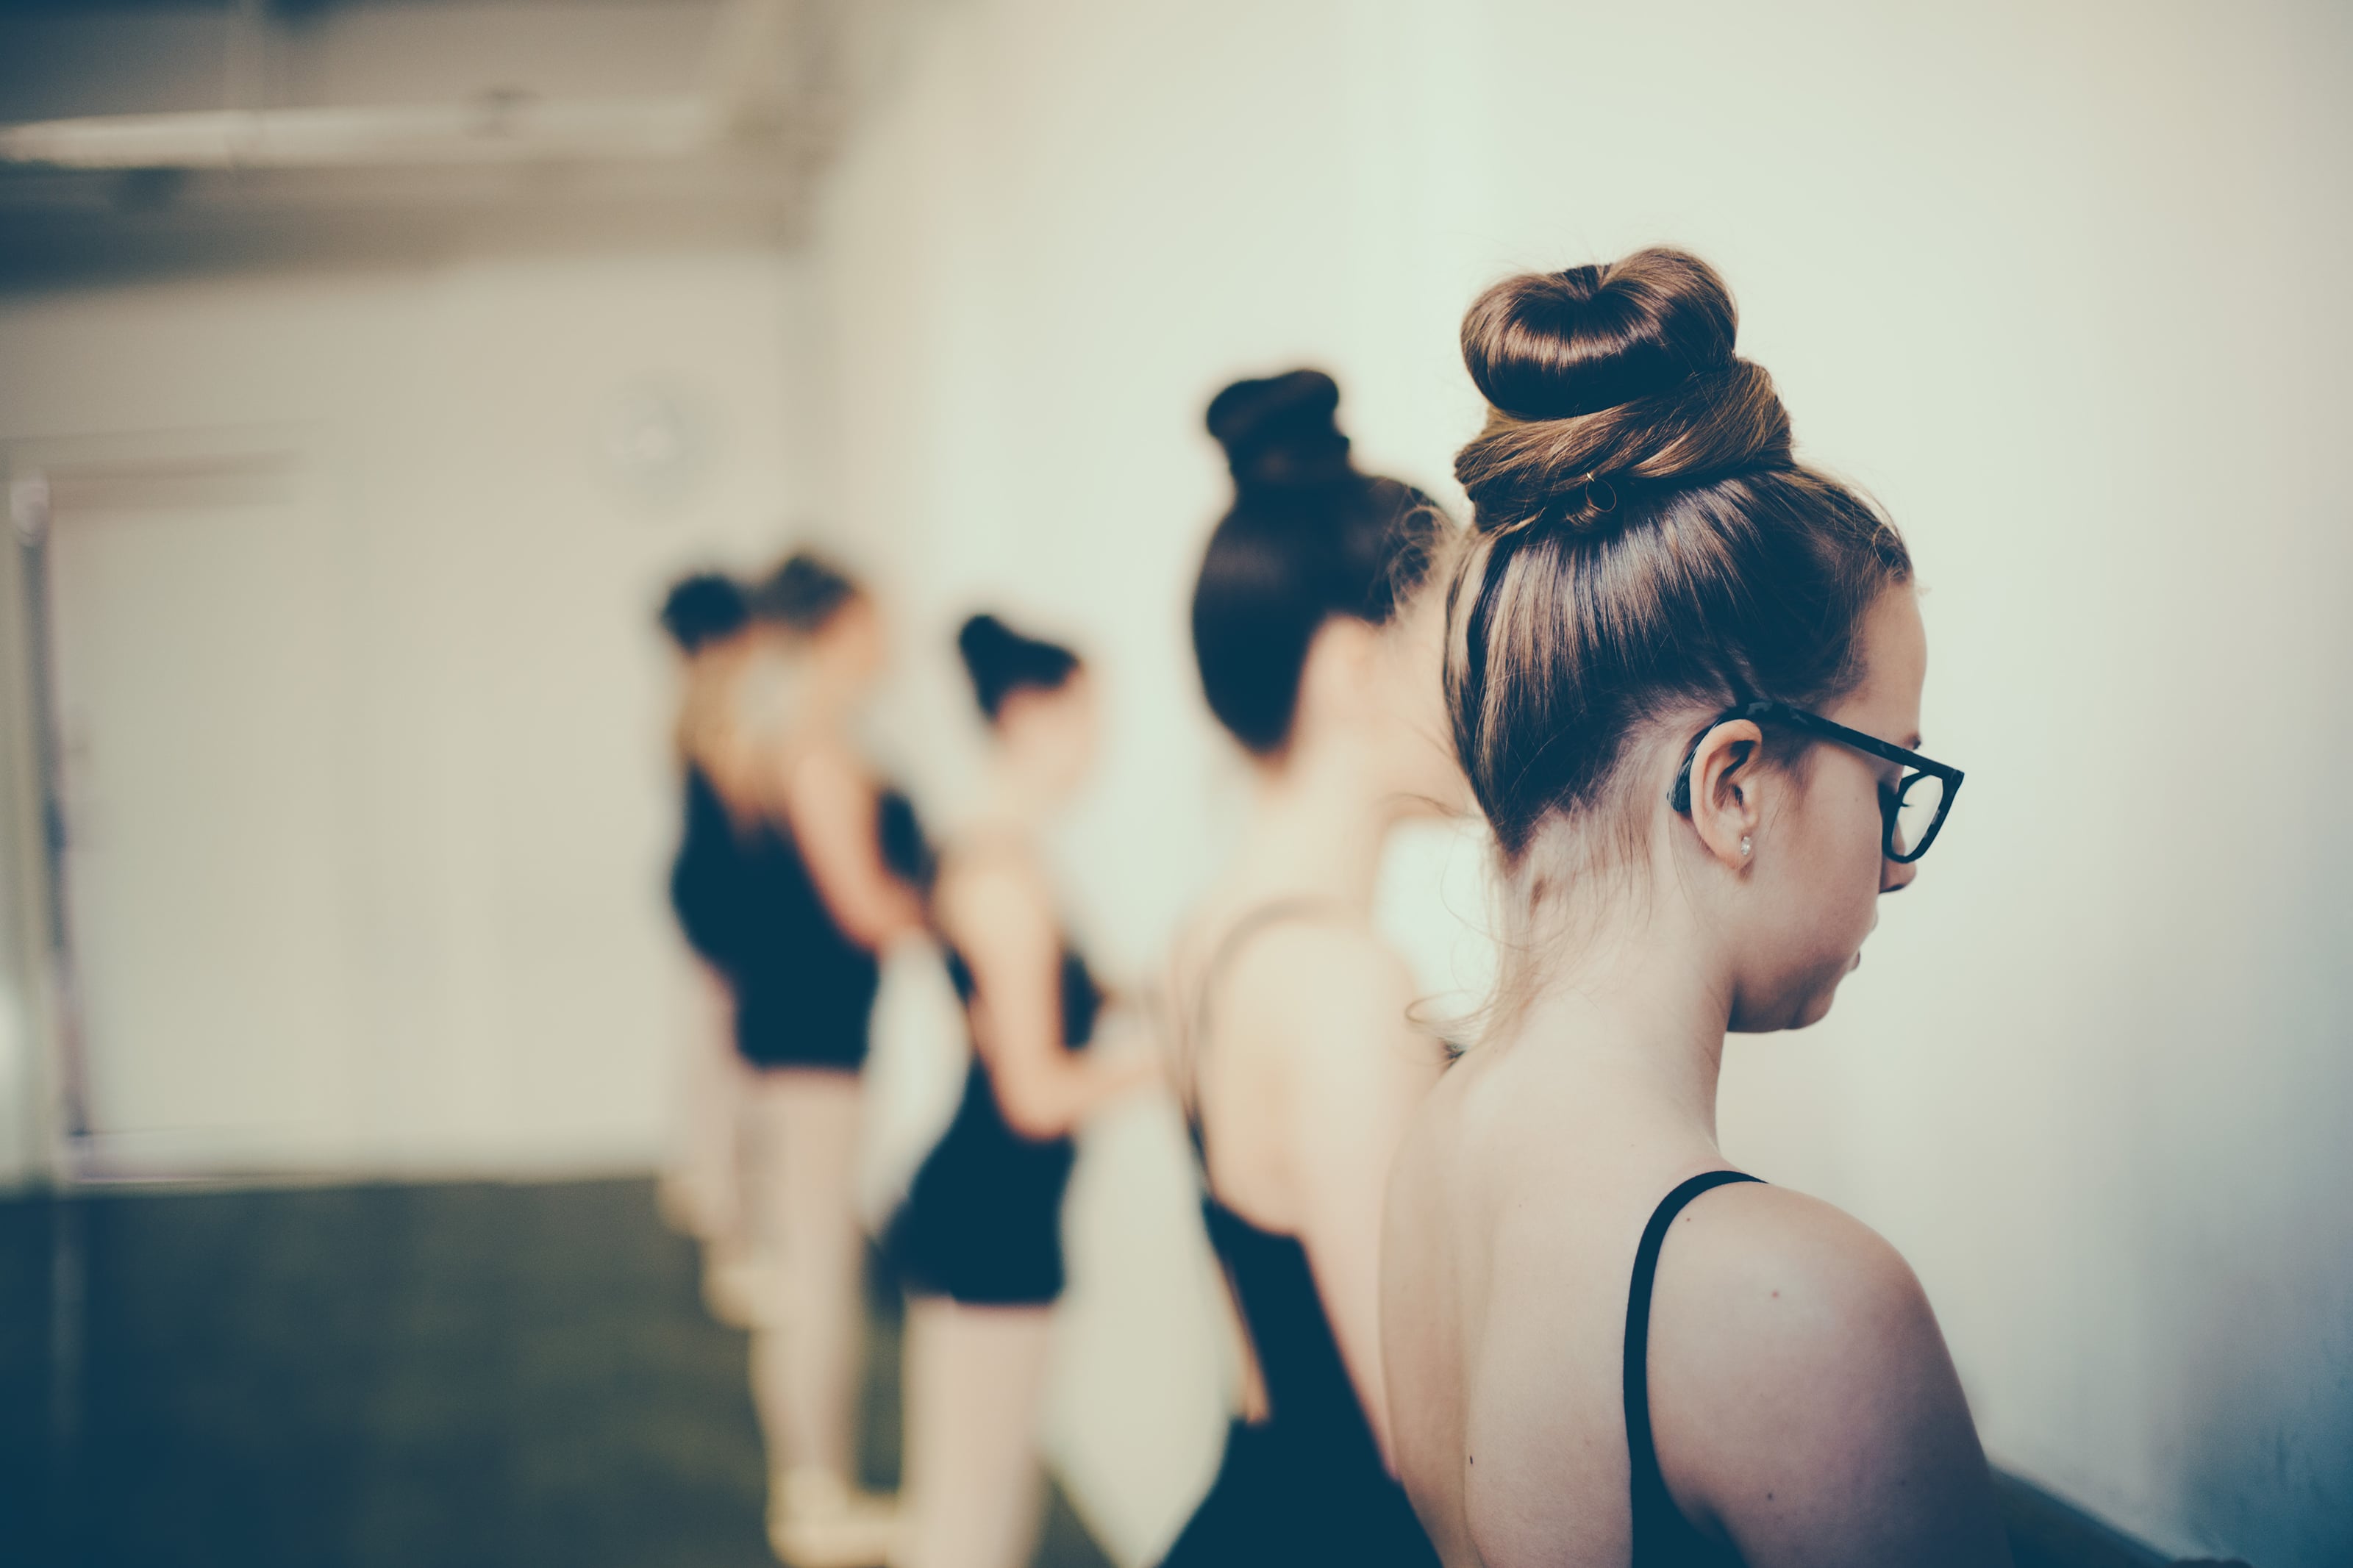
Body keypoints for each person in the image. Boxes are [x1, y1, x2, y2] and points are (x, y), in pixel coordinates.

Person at [1379, 249, 2010, 1567]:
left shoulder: (1436, 1154)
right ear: (1733, 785)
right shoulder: (1798, 1306)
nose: (1899, 862)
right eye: (1888, 776)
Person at [1157, 370, 1454, 1567]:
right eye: (1461, 632)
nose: (1494, 678)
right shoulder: (1342, 982)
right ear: (1352, 668)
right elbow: (1425, 1448)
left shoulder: (1210, 931)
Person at [885, 613, 1156, 1568]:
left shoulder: (999, 853)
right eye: (1090, 718)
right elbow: (1034, 1094)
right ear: (1033, 714)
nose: (1101, 745)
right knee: (972, 1515)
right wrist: (1179, 1062)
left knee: (976, 1501)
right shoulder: (1004, 878)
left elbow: (1049, 1002)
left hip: (988, 1206)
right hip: (989, 1214)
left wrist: (1157, 992)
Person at [718, 551, 929, 1567]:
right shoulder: (816, 752)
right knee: (818, 1270)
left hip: (791, 1031)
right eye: (876, 620)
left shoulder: (779, 737)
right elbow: (863, 908)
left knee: (809, 1263)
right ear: (837, 627)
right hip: (812, 1041)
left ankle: (812, 1487)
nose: (889, 640)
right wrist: (972, 907)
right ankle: (816, 1497)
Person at [658, 570, 757, 1271]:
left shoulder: (691, 698)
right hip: (723, 894)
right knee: (732, 1054)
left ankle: (707, 1183)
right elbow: (749, 809)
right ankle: (726, 1215)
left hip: (704, 888)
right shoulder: (716, 706)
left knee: (715, 1042)